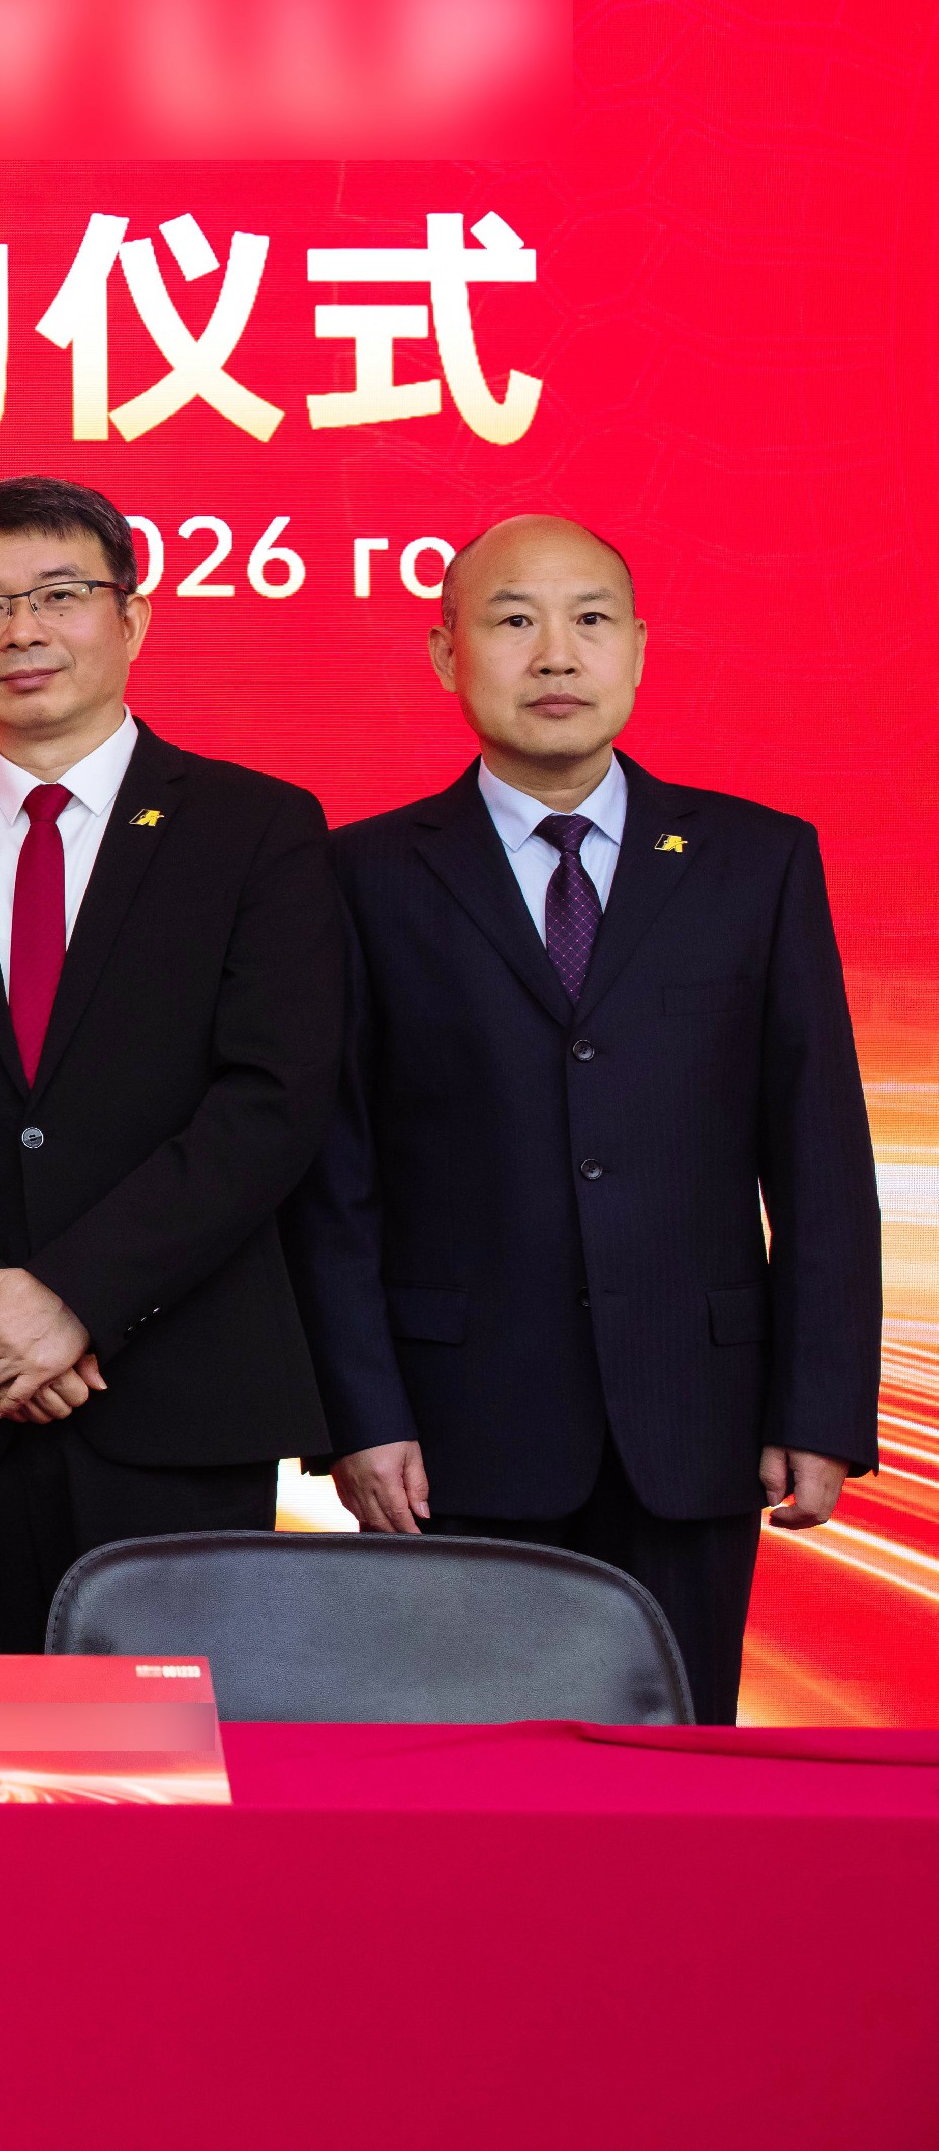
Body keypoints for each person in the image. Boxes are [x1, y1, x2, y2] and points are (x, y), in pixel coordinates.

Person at [282, 516, 879, 1721]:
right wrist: (360, 1416)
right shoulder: (360, 878)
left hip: (696, 1419)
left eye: (589, 620)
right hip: (451, 1431)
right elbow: (333, 1178)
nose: (554, 653)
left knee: (678, 1769)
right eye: (512, 620)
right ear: (445, 653)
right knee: (469, 1775)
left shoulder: (756, 861)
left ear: (639, 650)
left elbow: (818, 1155)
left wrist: (818, 1407)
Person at [0, 473, 343, 1653]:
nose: (23, 631)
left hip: (175, 1394)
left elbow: (269, 1101)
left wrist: (74, 1301)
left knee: (169, 1755)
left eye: (58, 594)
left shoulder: (254, 830)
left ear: (131, 617)